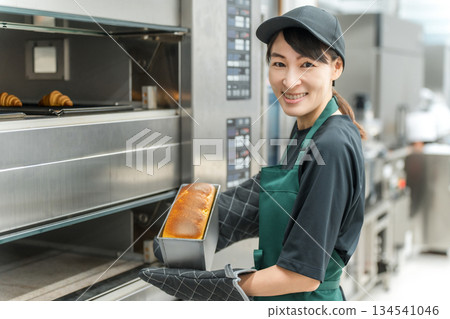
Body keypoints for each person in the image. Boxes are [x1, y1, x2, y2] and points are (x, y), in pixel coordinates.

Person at [139, 5, 365, 302]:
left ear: (336, 67)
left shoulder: (331, 144)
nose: (290, 80)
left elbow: (304, 275)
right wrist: (182, 232)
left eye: (307, 64)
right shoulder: (309, 130)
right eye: (279, 63)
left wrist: (216, 285)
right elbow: (276, 196)